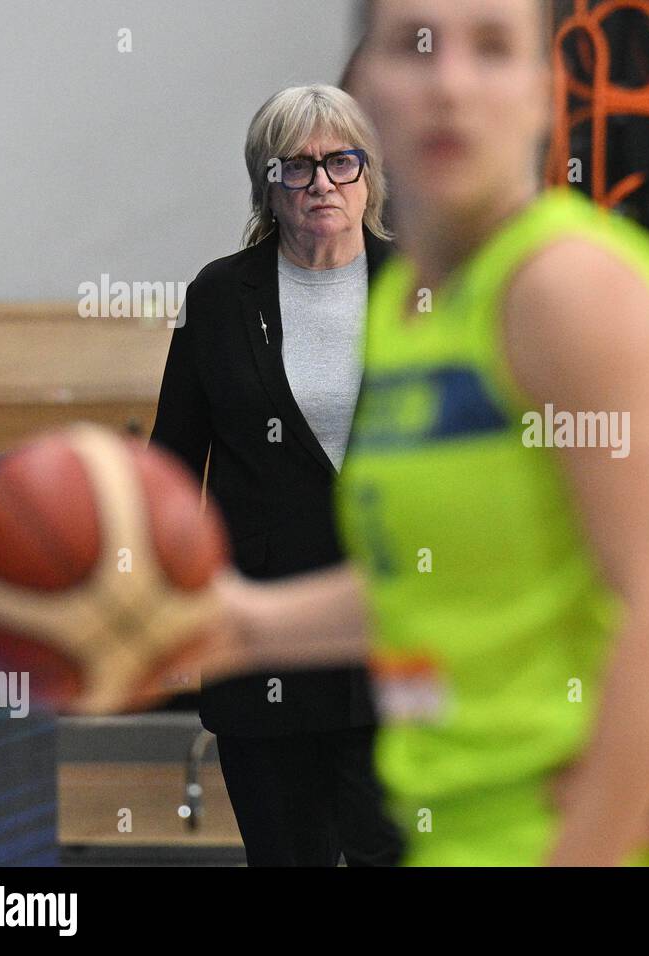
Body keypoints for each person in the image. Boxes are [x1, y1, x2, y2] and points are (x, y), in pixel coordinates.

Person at [162, 0, 649, 867]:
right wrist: (228, 624)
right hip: (457, 820)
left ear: (545, 91)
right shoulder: (414, 309)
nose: (451, 84)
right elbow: (434, 582)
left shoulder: (571, 288)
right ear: (369, 86)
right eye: (415, 47)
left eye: (494, 47)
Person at [151, 84, 402, 866]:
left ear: (369, 176)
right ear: (268, 183)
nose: (322, 181)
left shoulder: (429, 290)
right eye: (297, 166)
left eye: (340, 161)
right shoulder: (221, 297)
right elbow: (169, 467)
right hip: (263, 638)